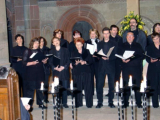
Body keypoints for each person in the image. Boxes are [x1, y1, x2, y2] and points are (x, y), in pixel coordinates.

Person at [118, 32, 144, 108]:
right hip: (126, 68)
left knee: (137, 86)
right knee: (126, 86)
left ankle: (139, 103)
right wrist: (122, 59)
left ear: (133, 37)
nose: (129, 37)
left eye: (131, 36)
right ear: (126, 37)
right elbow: (118, 55)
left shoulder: (138, 45)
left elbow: (141, 56)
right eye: (128, 36)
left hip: (136, 69)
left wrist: (132, 58)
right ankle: (125, 102)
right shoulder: (122, 45)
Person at [22, 37, 48, 109]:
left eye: (38, 43)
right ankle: (28, 106)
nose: (37, 44)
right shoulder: (27, 51)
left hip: (40, 73)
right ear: (32, 43)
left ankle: (40, 103)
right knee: (30, 90)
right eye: (35, 43)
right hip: (30, 74)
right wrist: (32, 63)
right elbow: (24, 63)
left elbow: (42, 61)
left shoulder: (39, 51)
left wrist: (44, 61)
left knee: (40, 89)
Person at [96, 27, 117, 108]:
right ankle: (99, 102)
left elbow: (115, 55)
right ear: (102, 34)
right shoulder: (99, 44)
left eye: (107, 33)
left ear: (110, 33)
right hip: (101, 67)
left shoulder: (114, 43)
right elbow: (98, 55)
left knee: (111, 85)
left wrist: (109, 58)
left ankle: (110, 102)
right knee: (99, 85)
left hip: (111, 66)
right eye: (104, 33)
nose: (106, 35)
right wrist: (99, 56)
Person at [70, 37, 93, 108]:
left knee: (88, 88)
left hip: (86, 71)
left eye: (79, 44)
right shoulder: (73, 52)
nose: (78, 46)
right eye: (76, 45)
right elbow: (72, 63)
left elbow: (91, 61)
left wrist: (85, 62)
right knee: (78, 87)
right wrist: (75, 63)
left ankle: (89, 104)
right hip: (77, 71)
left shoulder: (87, 51)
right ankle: (78, 103)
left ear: (82, 44)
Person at [49, 37, 70, 108]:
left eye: (57, 40)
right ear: (53, 43)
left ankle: (64, 103)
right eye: (54, 41)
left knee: (64, 88)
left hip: (64, 71)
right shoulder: (51, 51)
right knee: (56, 88)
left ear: (59, 41)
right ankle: (57, 103)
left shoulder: (65, 50)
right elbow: (50, 62)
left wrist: (63, 67)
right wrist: (54, 68)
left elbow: (68, 60)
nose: (56, 42)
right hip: (56, 72)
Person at [146, 33, 160, 108]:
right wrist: (151, 60)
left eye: (157, 39)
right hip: (153, 68)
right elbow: (147, 57)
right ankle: (155, 104)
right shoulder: (149, 47)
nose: (156, 41)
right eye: (154, 39)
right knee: (154, 85)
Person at [85, 29, 100, 95]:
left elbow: (102, 52)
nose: (92, 35)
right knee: (90, 78)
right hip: (90, 62)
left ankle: (98, 91)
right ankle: (91, 92)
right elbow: (85, 53)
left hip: (97, 62)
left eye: (94, 34)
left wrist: (97, 53)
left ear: (96, 34)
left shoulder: (99, 42)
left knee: (98, 78)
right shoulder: (87, 42)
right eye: (91, 34)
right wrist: (90, 54)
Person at [39, 36, 50, 103]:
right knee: (39, 85)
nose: (42, 43)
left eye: (43, 41)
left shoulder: (47, 49)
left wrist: (46, 61)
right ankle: (40, 99)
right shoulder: (36, 49)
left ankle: (45, 98)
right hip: (39, 69)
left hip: (46, 68)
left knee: (46, 84)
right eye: (40, 41)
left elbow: (50, 59)